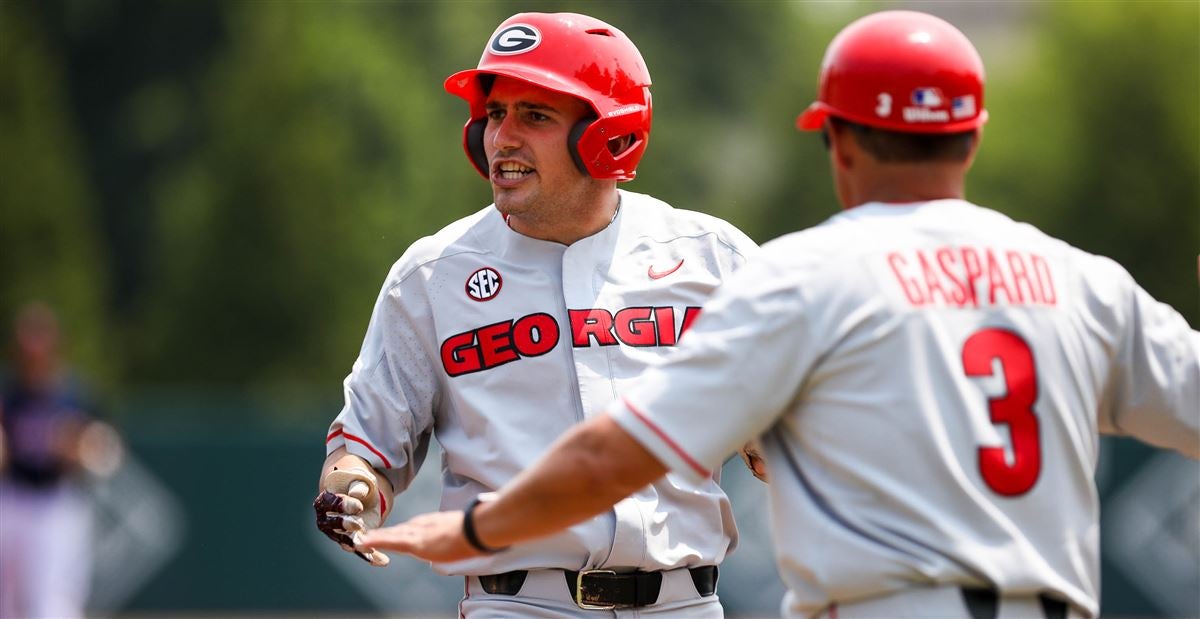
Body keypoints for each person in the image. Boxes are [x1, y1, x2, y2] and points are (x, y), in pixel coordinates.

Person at [355, 10, 1200, 619]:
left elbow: (621, 453)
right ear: (973, 139)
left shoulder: (806, 276)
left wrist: (473, 528)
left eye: (532, 113)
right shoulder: (1081, 281)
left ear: (837, 140)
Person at [311, 11, 760, 617]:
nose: (502, 137)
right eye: (495, 114)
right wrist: (351, 487)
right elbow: (364, 446)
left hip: (683, 603)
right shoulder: (432, 275)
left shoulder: (714, 259)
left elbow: (797, 435)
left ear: (610, 134)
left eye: (536, 115)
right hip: (520, 604)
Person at [0, 302, 123, 619]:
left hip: (57, 503)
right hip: (12, 498)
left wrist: (80, 452)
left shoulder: (75, 394)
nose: (33, 357)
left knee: (50, 603)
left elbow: (108, 453)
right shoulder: (9, 394)